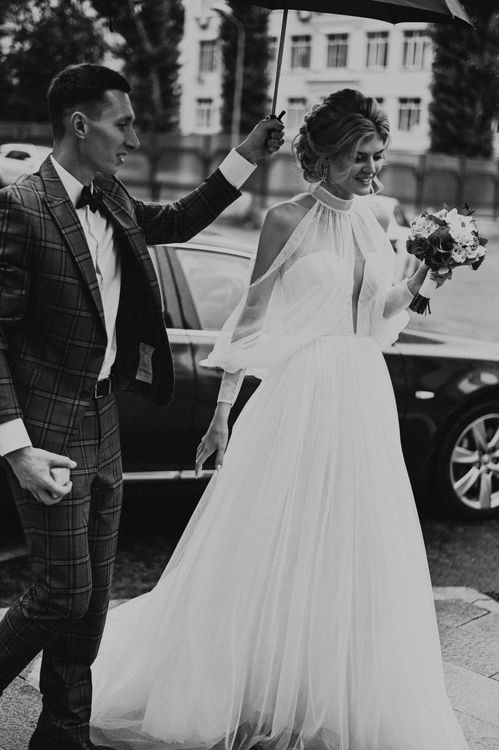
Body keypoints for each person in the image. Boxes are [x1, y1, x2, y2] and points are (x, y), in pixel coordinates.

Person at [89, 89, 468, 749]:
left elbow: (377, 315)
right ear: (324, 156)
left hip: (360, 396)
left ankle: (318, 688)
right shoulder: (284, 221)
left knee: (349, 547)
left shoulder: (376, 219)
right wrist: (220, 416)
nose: (372, 169)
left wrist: (424, 278)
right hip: (301, 397)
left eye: (377, 156)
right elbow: (250, 321)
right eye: (360, 157)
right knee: (269, 540)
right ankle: (245, 680)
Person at [0, 62, 284, 750]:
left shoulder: (112, 195)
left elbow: (179, 218)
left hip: (106, 421)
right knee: (62, 593)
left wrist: (247, 154)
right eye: (123, 124)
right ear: (80, 124)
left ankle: (63, 735)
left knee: (93, 601)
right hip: (47, 430)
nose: (133, 138)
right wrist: (16, 446)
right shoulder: (20, 206)